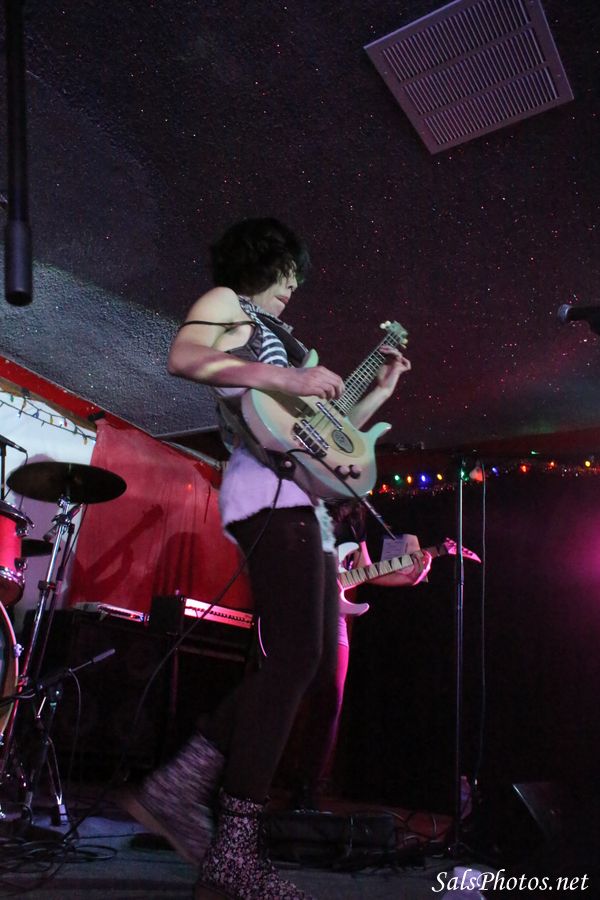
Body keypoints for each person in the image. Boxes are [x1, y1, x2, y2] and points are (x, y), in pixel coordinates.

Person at [123, 217, 413, 900]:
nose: (292, 287)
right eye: (286, 274)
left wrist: (375, 394)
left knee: (304, 662)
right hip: (263, 487)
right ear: (261, 262)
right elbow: (185, 356)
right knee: (293, 659)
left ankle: (180, 790)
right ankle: (230, 846)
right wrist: (291, 374)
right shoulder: (228, 302)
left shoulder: (292, 345)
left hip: (305, 500)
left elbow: (315, 432)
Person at [281, 499, 432, 809]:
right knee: (286, 697)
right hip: (297, 608)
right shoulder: (308, 498)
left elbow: (364, 571)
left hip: (334, 615)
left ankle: (307, 789)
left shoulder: (356, 516)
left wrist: (409, 578)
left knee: (331, 701)